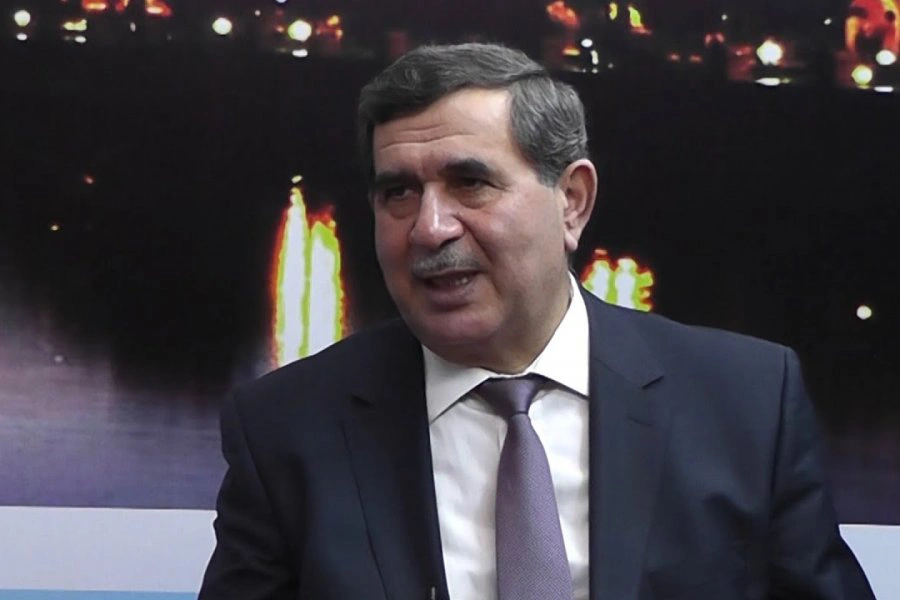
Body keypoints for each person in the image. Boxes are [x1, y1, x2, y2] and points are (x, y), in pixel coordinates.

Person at [198, 43, 874, 600]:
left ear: (571, 202)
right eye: (398, 191)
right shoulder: (285, 429)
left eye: (470, 182)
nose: (429, 228)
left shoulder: (747, 401)